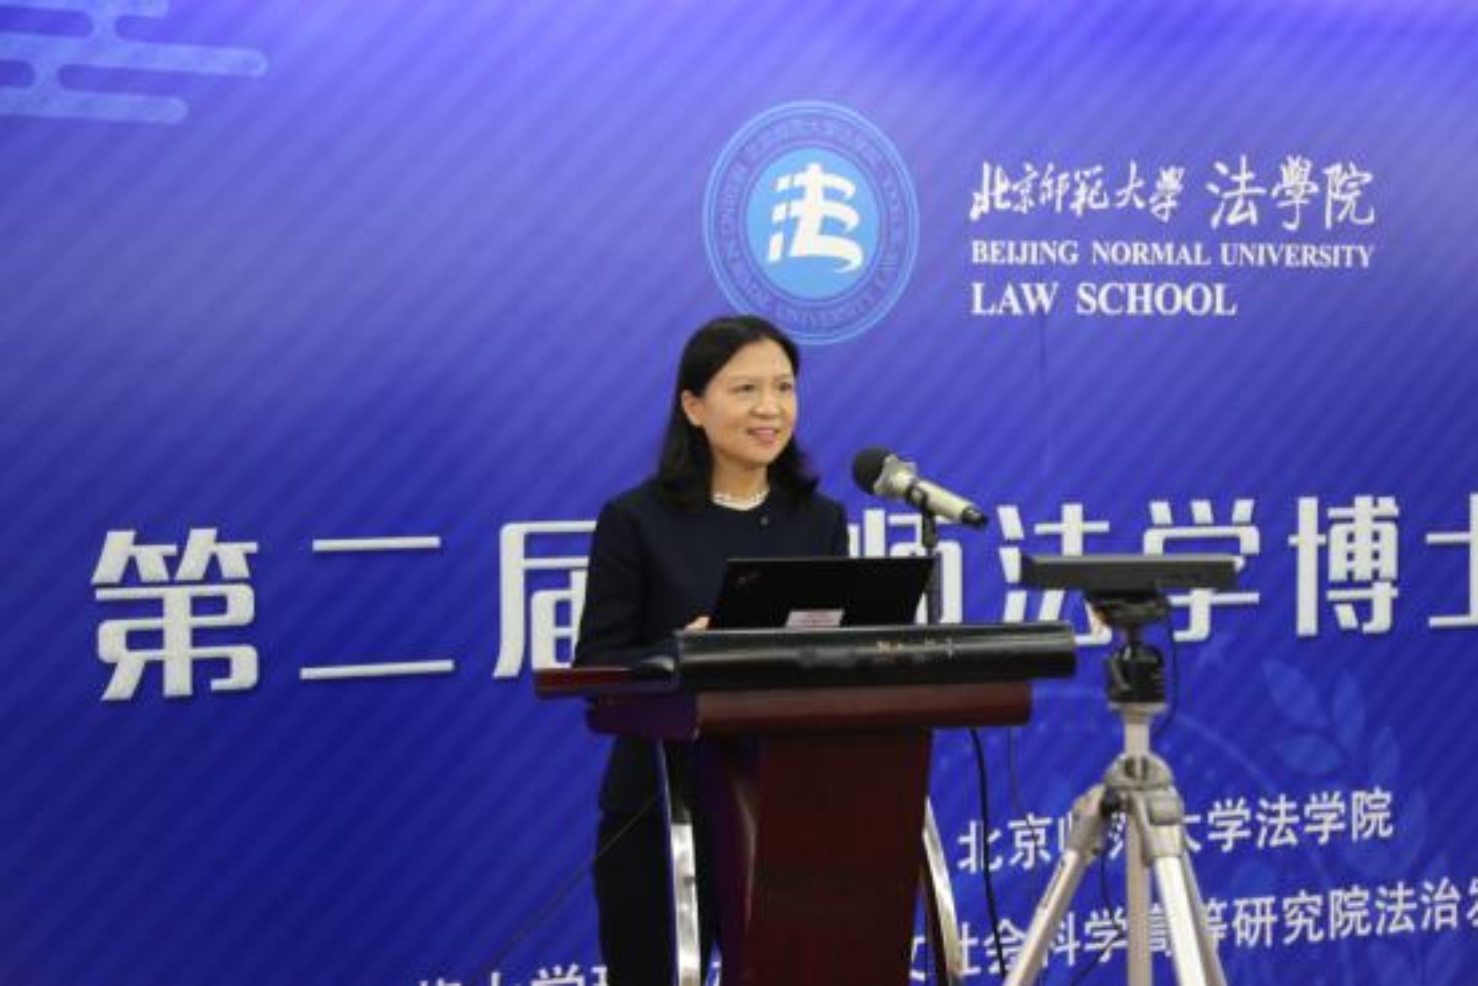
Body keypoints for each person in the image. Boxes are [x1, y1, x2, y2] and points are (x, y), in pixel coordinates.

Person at [574, 315, 850, 986]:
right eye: (745, 389)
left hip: (787, 801)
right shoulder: (636, 520)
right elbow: (596, 667)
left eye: (784, 387)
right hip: (664, 805)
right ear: (694, 407)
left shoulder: (819, 521)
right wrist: (682, 650)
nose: (770, 408)